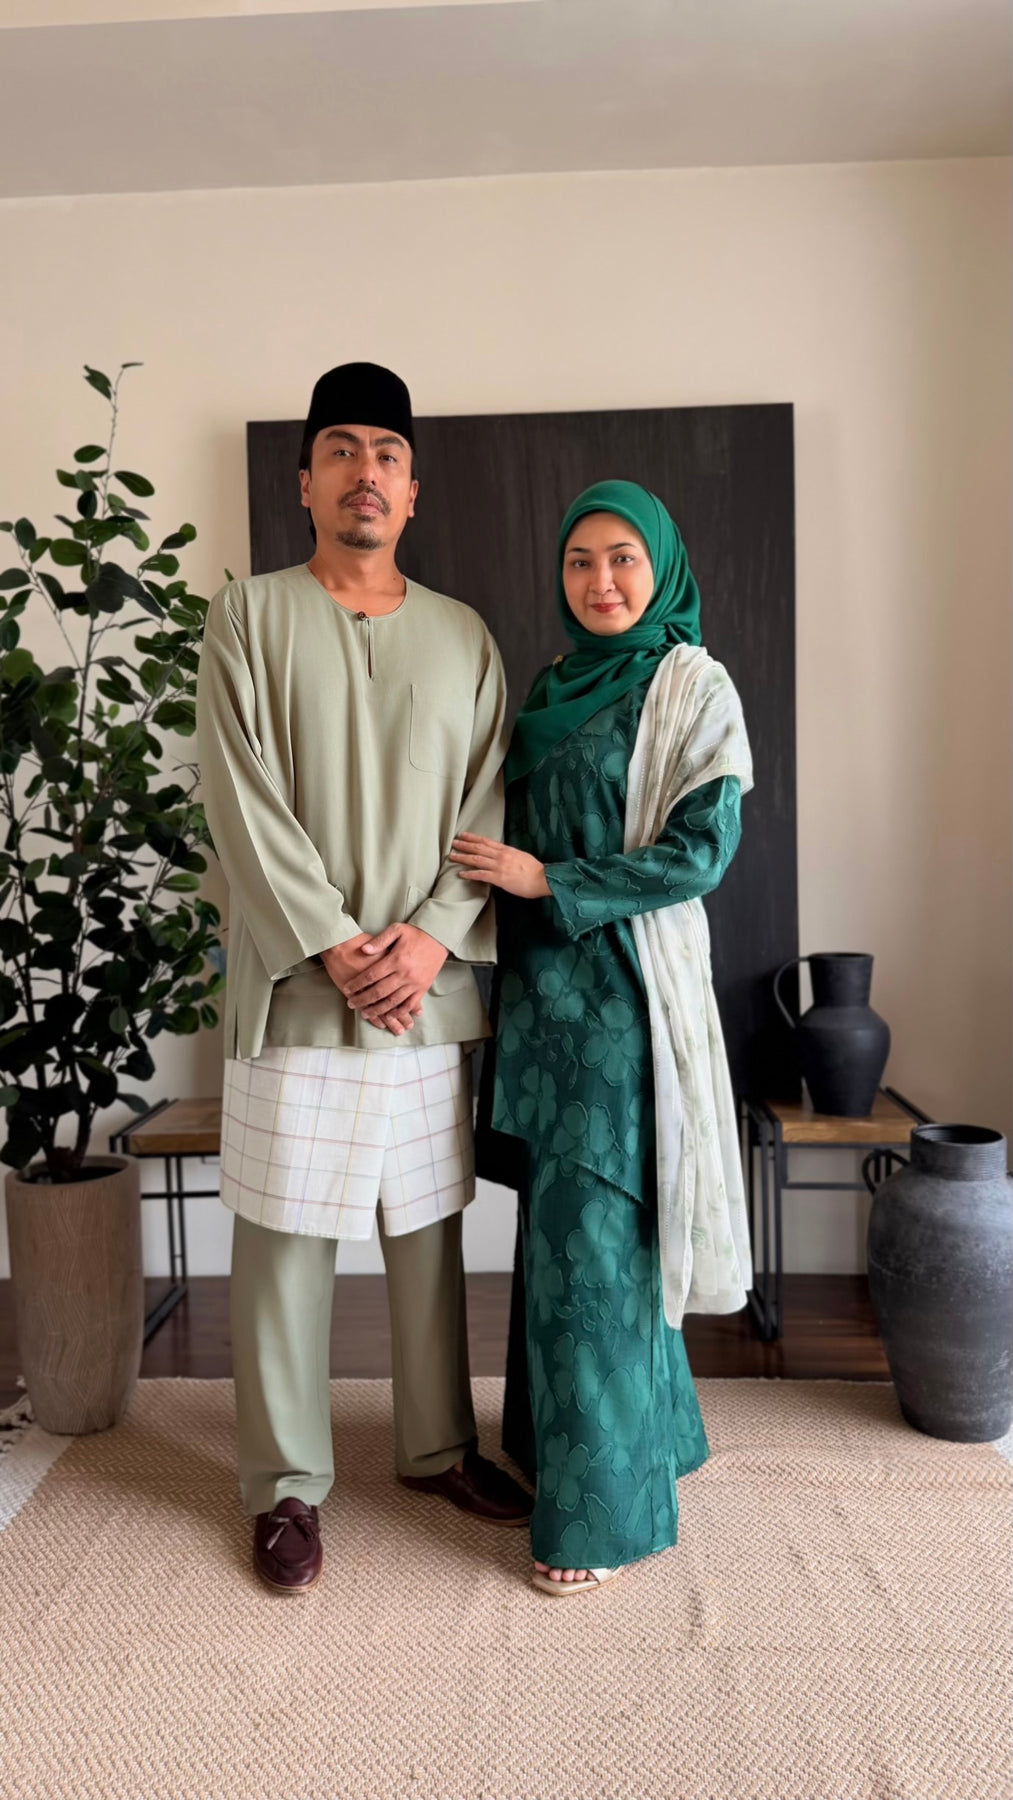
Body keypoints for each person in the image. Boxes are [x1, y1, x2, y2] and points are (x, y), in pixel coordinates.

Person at [196, 361, 531, 1594]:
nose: (365, 472)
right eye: (340, 449)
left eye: (386, 453)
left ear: (412, 487)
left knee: (426, 1224)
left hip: (425, 989)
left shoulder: (463, 636)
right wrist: (333, 940)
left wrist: (432, 938)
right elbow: (238, 795)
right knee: (284, 1230)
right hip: (299, 982)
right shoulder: (247, 617)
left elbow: (487, 798)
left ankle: (437, 1446)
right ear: (303, 481)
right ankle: (284, 1483)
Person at [455, 479, 754, 1597]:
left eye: (623, 558)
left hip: (623, 1006)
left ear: (660, 565)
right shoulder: (549, 685)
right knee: (562, 1240)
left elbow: (699, 854)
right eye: (580, 561)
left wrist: (549, 881)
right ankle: (622, 1447)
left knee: (594, 1243)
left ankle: (600, 1521)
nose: (601, 581)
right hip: (541, 1004)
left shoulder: (692, 685)